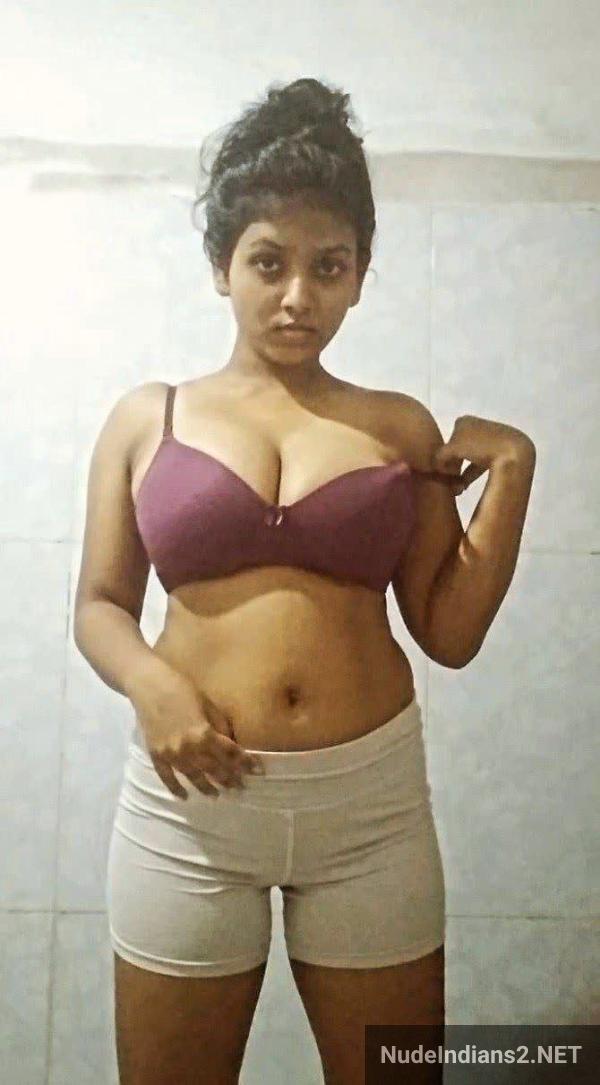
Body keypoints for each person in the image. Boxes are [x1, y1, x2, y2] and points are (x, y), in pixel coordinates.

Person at [74, 77, 467, 1085]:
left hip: (370, 808)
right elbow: (99, 605)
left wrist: (513, 472)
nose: (299, 295)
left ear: (360, 274)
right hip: (189, 808)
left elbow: (450, 629)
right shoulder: (148, 417)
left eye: (328, 266)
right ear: (222, 266)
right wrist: (152, 683)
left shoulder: (399, 426)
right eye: (268, 261)